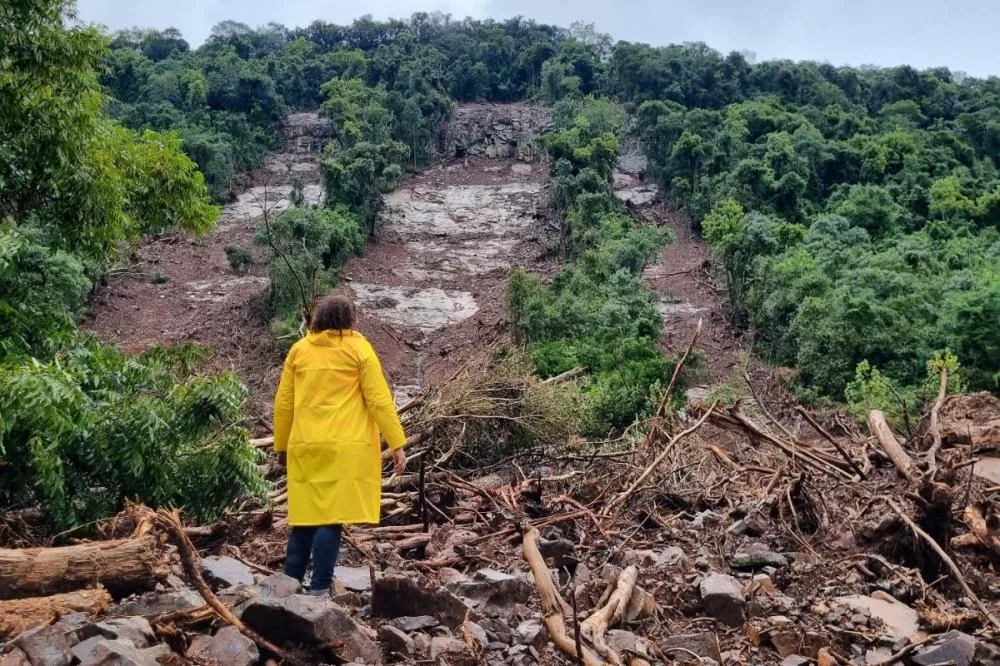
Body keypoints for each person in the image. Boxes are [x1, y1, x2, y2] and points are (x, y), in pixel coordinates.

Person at [273, 295, 407, 595]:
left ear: (318, 319)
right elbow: (379, 400)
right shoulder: (359, 349)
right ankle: (319, 589)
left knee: (304, 517)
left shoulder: (299, 351)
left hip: (306, 445)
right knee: (330, 518)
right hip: (345, 448)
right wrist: (397, 444)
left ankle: (286, 586)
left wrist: (281, 446)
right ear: (351, 320)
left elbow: (283, 404)